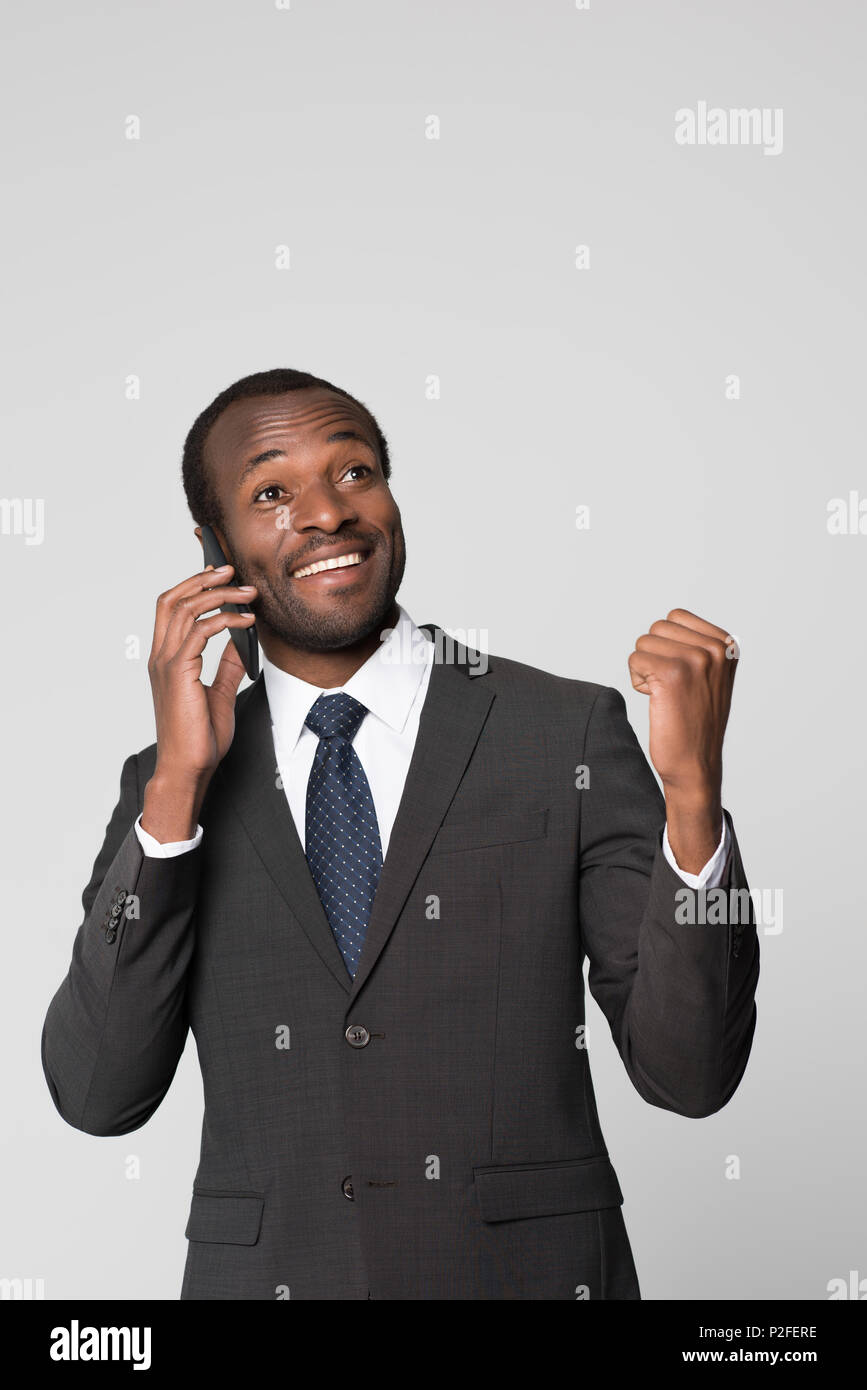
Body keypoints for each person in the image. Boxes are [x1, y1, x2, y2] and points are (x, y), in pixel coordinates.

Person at [41, 367, 759, 1300]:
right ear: (212, 544)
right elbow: (98, 1093)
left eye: (355, 472)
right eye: (270, 492)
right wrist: (178, 787)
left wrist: (693, 797)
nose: (326, 514)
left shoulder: (561, 731)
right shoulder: (166, 784)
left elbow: (689, 1073)